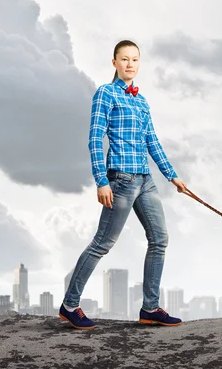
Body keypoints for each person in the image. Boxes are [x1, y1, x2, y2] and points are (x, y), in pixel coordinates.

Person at [58, 39, 186, 330]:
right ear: (114, 63)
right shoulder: (105, 93)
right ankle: (69, 305)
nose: (130, 64)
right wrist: (101, 181)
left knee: (159, 239)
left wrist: (172, 175)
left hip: (146, 181)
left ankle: (150, 308)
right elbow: (94, 138)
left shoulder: (141, 100)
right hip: (121, 181)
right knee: (103, 243)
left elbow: (152, 141)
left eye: (135, 60)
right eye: (124, 59)